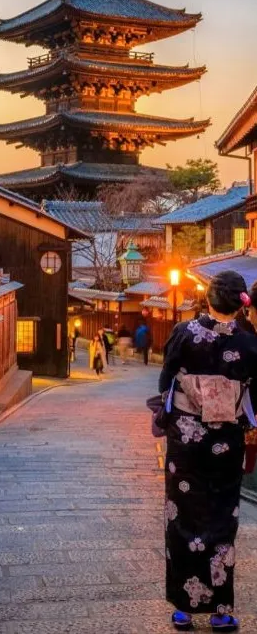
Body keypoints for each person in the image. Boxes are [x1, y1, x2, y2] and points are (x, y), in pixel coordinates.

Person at [159, 270, 257, 632]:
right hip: (225, 443)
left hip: (185, 441)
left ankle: (183, 609)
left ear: (209, 299)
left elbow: (165, 379)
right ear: (240, 303)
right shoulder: (250, 344)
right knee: (221, 518)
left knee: (181, 516)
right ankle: (221, 611)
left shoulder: (183, 333)